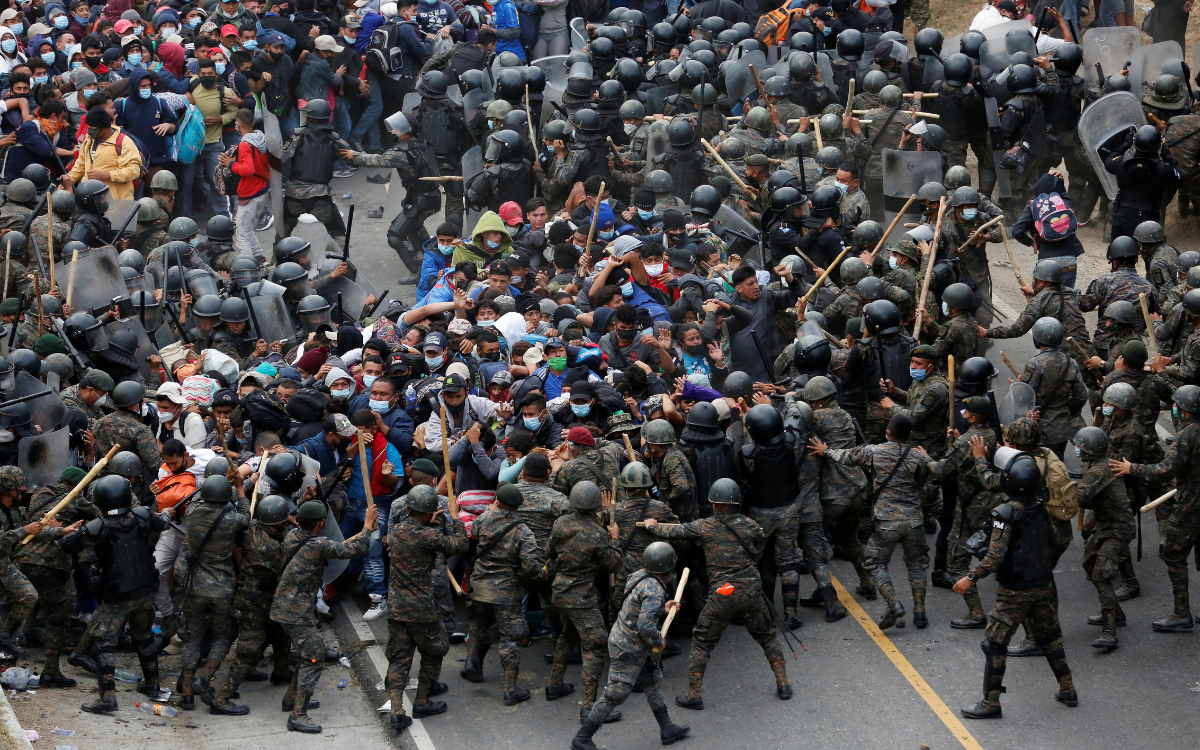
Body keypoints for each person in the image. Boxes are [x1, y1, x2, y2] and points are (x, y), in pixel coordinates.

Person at [645, 478, 792, 710]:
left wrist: (652, 525)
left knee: (702, 643)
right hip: (751, 590)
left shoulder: (705, 527)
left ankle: (694, 695)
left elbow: (676, 531)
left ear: (713, 504)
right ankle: (783, 683)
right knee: (767, 637)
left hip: (724, 592)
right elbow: (759, 539)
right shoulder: (750, 525)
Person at [955, 452, 1077, 719]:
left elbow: (995, 556)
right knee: (1049, 636)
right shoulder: (1041, 508)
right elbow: (1054, 540)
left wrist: (971, 577)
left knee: (995, 643)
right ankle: (1067, 688)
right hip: (1042, 584)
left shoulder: (1005, 514)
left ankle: (991, 703)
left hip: (1015, 590)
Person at [811, 413, 933, 629]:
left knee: (876, 562)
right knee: (916, 566)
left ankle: (894, 603)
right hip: (914, 521)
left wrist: (825, 451)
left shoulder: (874, 452)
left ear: (887, 432)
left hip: (886, 521)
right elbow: (922, 481)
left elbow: (846, 456)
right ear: (910, 435)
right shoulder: (918, 457)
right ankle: (921, 613)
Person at [59, 475, 165, 714]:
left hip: (116, 596)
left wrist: (71, 531)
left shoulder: (98, 527)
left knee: (105, 645)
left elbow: (67, 545)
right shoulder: (142, 515)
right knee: (144, 637)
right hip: (145, 591)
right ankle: (153, 685)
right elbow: (162, 524)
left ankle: (108, 698)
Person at [270, 500, 377, 733]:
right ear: (320, 523)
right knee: (314, 657)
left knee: (309, 653)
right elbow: (355, 550)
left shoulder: (292, 536)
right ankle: (297, 715)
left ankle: (291, 698)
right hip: (295, 611)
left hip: (287, 607)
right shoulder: (318, 544)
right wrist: (368, 527)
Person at [572, 542, 689, 750]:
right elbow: (645, 626)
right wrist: (658, 642)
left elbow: (637, 607)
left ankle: (667, 728)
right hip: (629, 647)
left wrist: (662, 609)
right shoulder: (654, 589)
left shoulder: (638, 575)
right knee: (615, 693)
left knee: (653, 681)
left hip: (627, 640)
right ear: (668, 569)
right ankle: (582, 739)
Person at [383, 484, 468, 732]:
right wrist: (455, 517)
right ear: (429, 513)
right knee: (435, 650)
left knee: (400, 657)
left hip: (397, 606)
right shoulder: (429, 536)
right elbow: (460, 545)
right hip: (422, 607)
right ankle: (422, 700)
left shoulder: (396, 532)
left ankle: (397, 709)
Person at [459, 483, 544, 705]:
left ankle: (472, 664)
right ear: (518, 506)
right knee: (511, 636)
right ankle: (510, 689)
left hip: (479, 586)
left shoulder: (485, 518)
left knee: (479, 622)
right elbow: (529, 567)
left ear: (497, 501)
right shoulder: (523, 531)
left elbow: (474, 532)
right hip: (505, 591)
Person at [545, 481, 622, 720]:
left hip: (560, 593)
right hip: (582, 598)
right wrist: (615, 540)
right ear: (596, 505)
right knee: (596, 645)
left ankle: (555, 684)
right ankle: (589, 707)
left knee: (567, 637)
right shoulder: (598, 534)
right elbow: (613, 564)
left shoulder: (560, 524)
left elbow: (550, 551)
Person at [176, 476, 251, 711]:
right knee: (223, 636)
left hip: (194, 587)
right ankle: (204, 678)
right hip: (222, 588)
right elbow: (246, 517)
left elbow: (196, 499)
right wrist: (240, 489)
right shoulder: (231, 519)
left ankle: (187, 694)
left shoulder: (192, 513)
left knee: (192, 640)